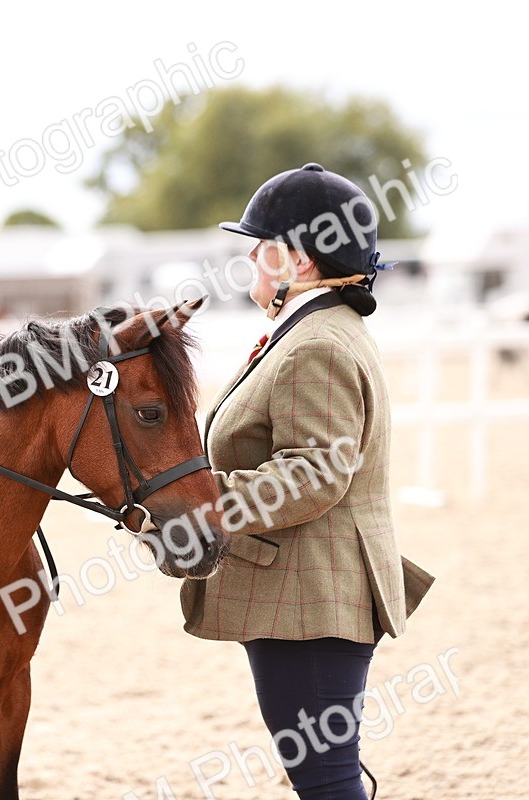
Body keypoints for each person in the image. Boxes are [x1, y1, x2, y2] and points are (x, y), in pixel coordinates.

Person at [181, 164, 434, 798]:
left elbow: (315, 473)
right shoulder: (310, 331)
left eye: (260, 248)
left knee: (326, 780)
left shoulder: (313, 344)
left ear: (298, 261)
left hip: (312, 596)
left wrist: (205, 503)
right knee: (323, 774)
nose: (249, 259)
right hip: (303, 592)